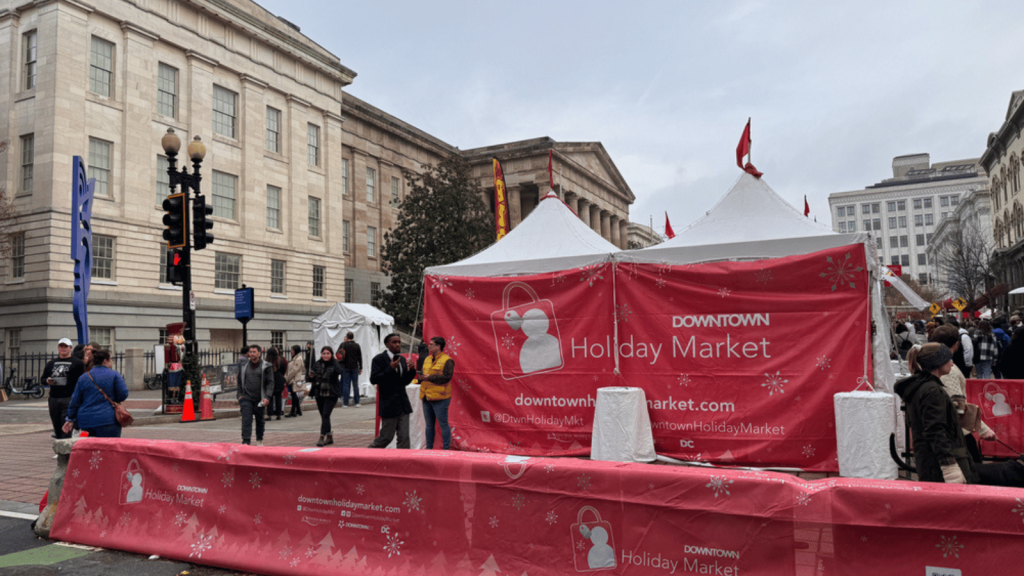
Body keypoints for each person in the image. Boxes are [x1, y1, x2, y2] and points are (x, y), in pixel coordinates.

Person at [895, 343, 975, 483]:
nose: (951, 363)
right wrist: (949, 466)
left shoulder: (921, 387)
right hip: (937, 465)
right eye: (948, 359)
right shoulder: (931, 390)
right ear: (937, 363)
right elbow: (935, 430)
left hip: (929, 461)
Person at [62, 347, 128, 438]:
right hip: (108, 419)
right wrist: (114, 398)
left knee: (90, 448)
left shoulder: (84, 377)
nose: (112, 361)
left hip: (86, 420)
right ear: (105, 361)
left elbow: (75, 400)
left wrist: (70, 419)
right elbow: (123, 394)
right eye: (111, 359)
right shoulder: (114, 374)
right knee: (109, 448)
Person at [368, 333, 416, 448]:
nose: (398, 344)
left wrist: (412, 371)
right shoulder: (379, 359)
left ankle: (402, 463)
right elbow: (374, 379)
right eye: (394, 342)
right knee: (386, 437)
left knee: (404, 438)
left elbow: (404, 382)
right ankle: (368, 454)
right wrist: (390, 369)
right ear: (387, 344)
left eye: (399, 342)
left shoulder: (402, 359)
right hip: (389, 405)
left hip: (403, 405)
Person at [42, 338, 85, 439]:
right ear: (58, 348)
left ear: (70, 348)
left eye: (66, 346)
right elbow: (43, 378)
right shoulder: (51, 363)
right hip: (54, 397)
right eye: (61, 346)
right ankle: (60, 446)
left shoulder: (77, 363)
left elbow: (81, 380)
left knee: (66, 424)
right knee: (56, 423)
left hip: (69, 397)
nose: (63, 348)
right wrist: (47, 381)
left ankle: (65, 449)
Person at [418, 336, 454, 450]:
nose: (429, 346)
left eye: (431, 344)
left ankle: (446, 448)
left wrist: (430, 378)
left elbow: (447, 377)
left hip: (440, 398)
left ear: (438, 347)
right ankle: (429, 448)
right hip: (426, 396)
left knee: (443, 424)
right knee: (429, 425)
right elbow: (422, 374)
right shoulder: (427, 359)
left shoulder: (447, 360)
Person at [237, 344, 274, 446]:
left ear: (259, 353)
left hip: (260, 399)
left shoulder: (266, 366)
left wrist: (267, 397)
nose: (252, 354)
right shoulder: (244, 365)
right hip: (246, 398)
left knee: (260, 419)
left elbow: (270, 383)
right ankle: (246, 441)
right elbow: (239, 381)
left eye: (254, 352)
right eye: (250, 352)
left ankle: (259, 439)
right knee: (246, 420)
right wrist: (240, 395)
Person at [308, 346, 341, 447]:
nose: (326, 355)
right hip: (319, 392)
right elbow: (310, 377)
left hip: (331, 393)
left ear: (331, 355)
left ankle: (322, 436)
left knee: (326, 414)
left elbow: (340, 371)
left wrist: (335, 360)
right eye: (324, 353)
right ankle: (329, 436)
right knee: (324, 416)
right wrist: (311, 376)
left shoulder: (334, 364)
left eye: (328, 353)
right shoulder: (317, 363)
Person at [339, 332, 363, 408]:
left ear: (347, 337)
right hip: (355, 366)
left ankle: (345, 403)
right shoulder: (357, 345)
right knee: (355, 385)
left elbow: (339, 355)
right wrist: (361, 367)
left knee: (346, 385)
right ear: (353, 337)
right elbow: (360, 357)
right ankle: (357, 402)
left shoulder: (343, 345)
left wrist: (341, 364)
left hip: (345, 367)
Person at [284, 345, 306, 418]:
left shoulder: (298, 359)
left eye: (293, 350)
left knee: (294, 395)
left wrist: (287, 378)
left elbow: (294, 370)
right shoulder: (295, 358)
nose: (291, 351)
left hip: (295, 379)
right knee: (294, 395)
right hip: (293, 379)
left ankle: (293, 411)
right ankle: (298, 410)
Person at [265, 347, 286, 420]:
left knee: (269, 397)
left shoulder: (266, 362)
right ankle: (278, 414)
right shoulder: (280, 360)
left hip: (269, 380)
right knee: (278, 397)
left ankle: (269, 414)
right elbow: (283, 369)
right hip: (279, 379)